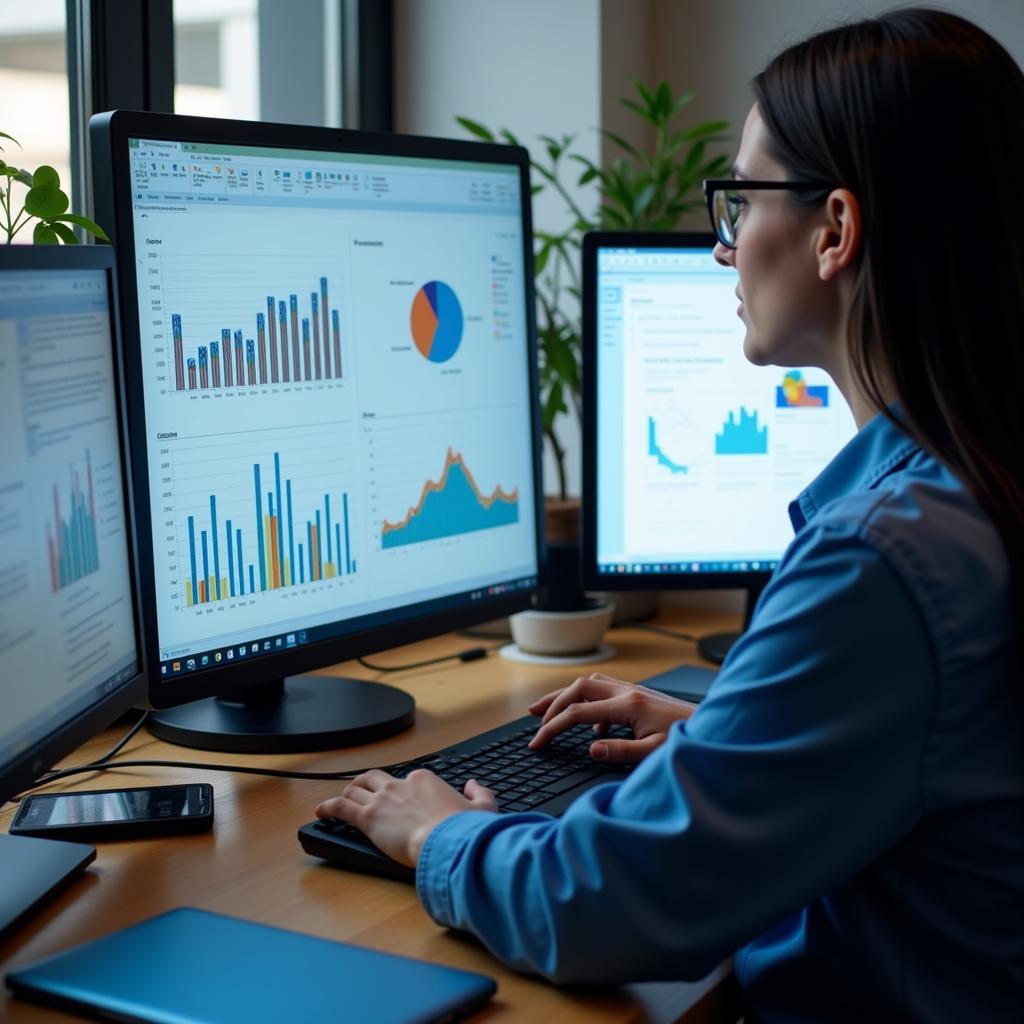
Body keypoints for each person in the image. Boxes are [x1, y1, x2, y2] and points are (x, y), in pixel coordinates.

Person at [316, 9, 1023, 1019]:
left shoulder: (884, 557)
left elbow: (605, 904)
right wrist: (733, 741)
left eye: (738, 203)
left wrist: (438, 833)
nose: (720, 250)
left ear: (835, 229)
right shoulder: (977, 480)